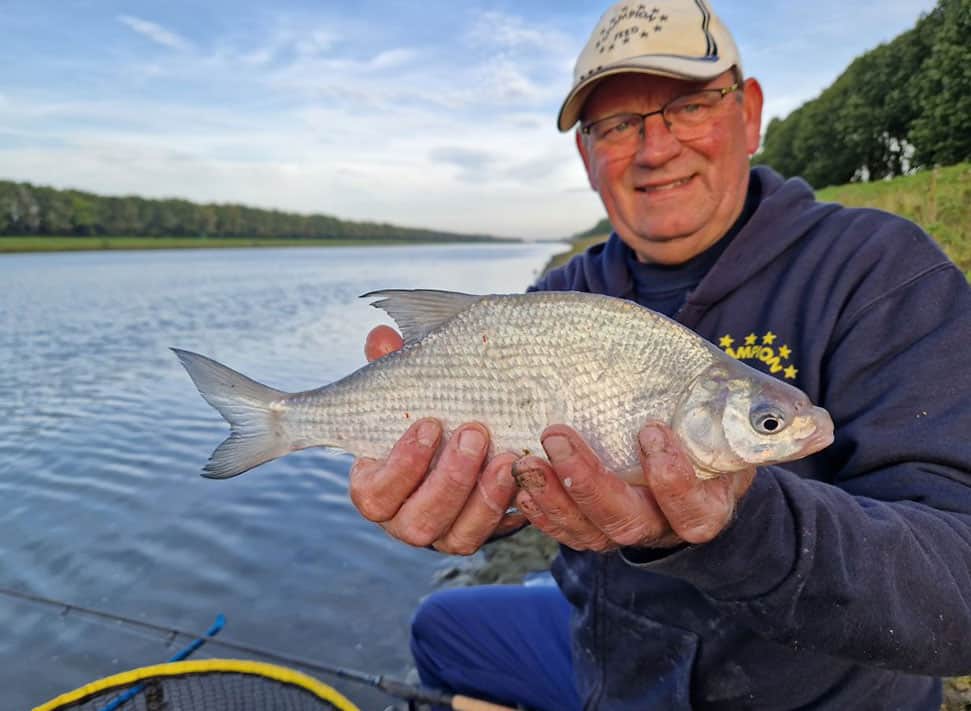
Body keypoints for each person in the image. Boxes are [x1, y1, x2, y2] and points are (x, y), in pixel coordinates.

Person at [350, 0, 971, 708]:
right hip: (609, 662)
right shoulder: (562, 293)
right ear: (586, 156)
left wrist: (742, 523)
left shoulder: (877, 271)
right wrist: (487, 506)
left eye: (688, 105)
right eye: (616, 125)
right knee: (441, 627)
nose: (654, 148)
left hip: (806, 690)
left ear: (749, 113)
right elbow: (508, 458)